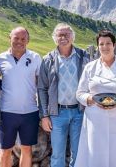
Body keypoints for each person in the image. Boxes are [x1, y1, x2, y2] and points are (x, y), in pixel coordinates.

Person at [75, 29, 116, 167]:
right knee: (95, 153)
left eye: (108, 43)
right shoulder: (90, 67)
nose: (105, 47)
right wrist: (92, 99)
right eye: (101, 44)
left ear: (114, 45)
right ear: (98, 47)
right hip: (95, 118)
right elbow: (80, 93)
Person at [38, 23, 90, 167]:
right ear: (55, 38)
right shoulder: (48, 59)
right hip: (57, 113)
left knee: (78, 152)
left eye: (66, 34)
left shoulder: (84, 56)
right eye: (60, 35)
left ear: (72, 37)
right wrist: (45, 115)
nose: (63, 37)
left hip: (79, 112)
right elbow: (42, 88)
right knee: (57, 154)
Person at [0, 27, 42, 167]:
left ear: (28, 40)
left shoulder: (35, 57)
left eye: (23, 39)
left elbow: (41, 84)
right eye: (16, 38)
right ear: (9, 38)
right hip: (6, 112)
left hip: (30, 112)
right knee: (5, 151)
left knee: (27, 149)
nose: (19, 41)